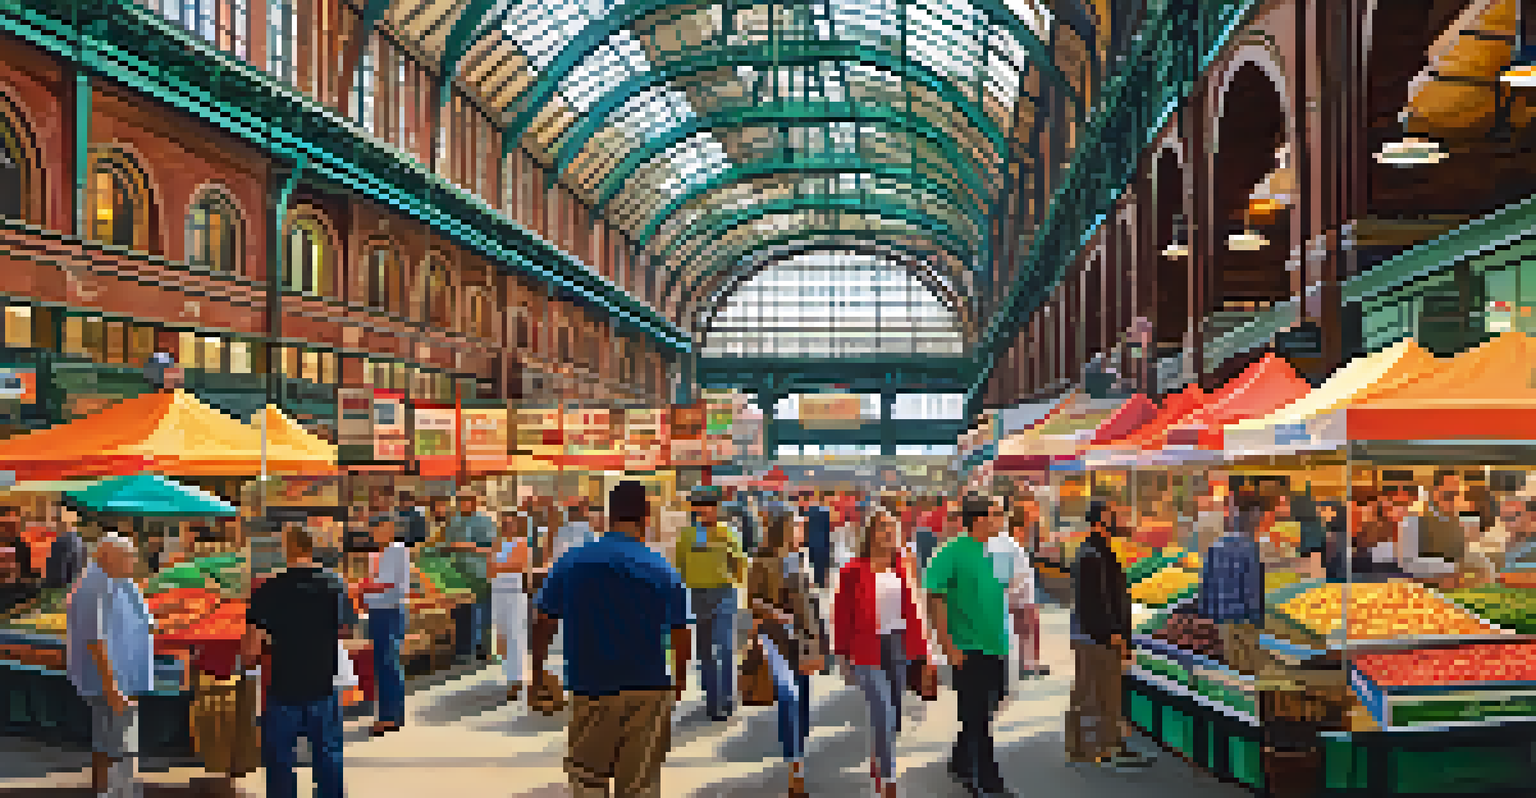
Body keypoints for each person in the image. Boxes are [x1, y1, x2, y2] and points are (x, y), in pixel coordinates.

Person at [531, 480, 692, 798]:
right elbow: (680, 632)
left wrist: (536, 670)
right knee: (639, 786)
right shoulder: (662, 569)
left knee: (588, 779)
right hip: (648, 687)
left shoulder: (572, 562)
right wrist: (679, 682)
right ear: (647, 515)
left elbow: (544, 621)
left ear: (607, 515)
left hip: (590, 686)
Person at [242, 523, 350, 798]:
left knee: (280, 760)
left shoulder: (268, 588)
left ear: (287, 549)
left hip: (282, 685)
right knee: (328, 757)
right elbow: (347, 630)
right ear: (312, 548)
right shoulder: (336, 585)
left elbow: (251, 650)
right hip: (323, 683)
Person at [834, 509, 929, 798]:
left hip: (898, 645)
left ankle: (879, 758)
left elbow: (916, 608)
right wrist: (842, 657)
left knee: (895, 714)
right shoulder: (853, 570)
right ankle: (888, 779)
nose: (889, 533)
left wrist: (926, 654)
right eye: (883, 528)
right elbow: (841, 614)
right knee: (883, 711)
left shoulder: (904, 565)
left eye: (893, 527)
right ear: (870, 534)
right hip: (866, 647)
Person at [925, 494, 1015, 797]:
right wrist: (946, 645)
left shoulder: (994, 550)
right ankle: (986, 784)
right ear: (978, 519)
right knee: (977, 720)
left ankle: (962, 760)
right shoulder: (949, 552)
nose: (1002, 519)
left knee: (990, 706)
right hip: (967, 648)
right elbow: (934, 598)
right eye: (997, 513)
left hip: (996, 645)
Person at [66, 535, 154, 798]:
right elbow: (96, 641)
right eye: (128, 556)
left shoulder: (118, 581)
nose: (134, 561)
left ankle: (115, 791)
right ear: (107, 557)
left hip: (123, 678)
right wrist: (113, 688)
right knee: (116, 743)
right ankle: (114, 792)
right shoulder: (94, 586)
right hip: (111, 681)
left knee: (114, 740)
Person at [750, 510, 827, 798]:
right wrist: (778, 614)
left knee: (803, 703)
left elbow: (812, 602)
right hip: (775, 638)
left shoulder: (803, 558)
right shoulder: (762, 560)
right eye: (797, 526)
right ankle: (795, 767)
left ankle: (797, 753)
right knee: (789, 695)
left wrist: (821, 641)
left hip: (804, 641)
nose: (802, 530)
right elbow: (753, 600)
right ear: (783, 528)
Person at [1065, 499, 1145, 770]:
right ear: (1100, 521)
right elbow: (1096, 601)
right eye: (1113, 514)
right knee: (1094, 694)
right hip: (1095, 637)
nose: (1119, 519)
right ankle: (1091, 750)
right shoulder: (1092, 554)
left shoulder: (1101, 551)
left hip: (1098, 635)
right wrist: (1114, 634)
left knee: (1104, 695)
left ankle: (1103, 747)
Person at [673, 485, 748, 721]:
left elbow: (740, 565)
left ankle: (726, 697)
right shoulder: (687, 535)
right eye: (701, 507)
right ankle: (712, 700)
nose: (706, 511)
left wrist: (731, 566)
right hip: (698, 595)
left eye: (711, 507)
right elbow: (680, 568)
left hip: (725, 594)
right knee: (705, 651)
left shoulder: (729, 532)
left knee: (725, 647)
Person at [361, 513, 411, 736]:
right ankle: (386, 714)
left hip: (390, 610)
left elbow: (389, 584)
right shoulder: (375, 553)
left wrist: (365, 588)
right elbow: (374, 581)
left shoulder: (397, 549)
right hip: (377, 610)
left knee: (389, 663)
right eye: (376, 528)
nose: (377, 532)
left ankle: (392, 716)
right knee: (382, 664)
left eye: (382, 527)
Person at [989, 498, 1046, 679]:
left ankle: (1027, 665)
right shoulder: (1004, 545)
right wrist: (1011, 594)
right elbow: (1007, 576)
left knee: (1026, 632)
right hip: (1017, 599)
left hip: (1021, 598)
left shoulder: (1007, 545)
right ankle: (1023, 666)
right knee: (1022, 633)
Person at [445, 491, 496, 662]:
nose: (463, 504)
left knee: (482, 611)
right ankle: (463, 649)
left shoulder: (485, 521)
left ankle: (483, 648)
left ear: (475, 501)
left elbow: (491, 548)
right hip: (458, 573)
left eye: (467, 500)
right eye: (460, 501)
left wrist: (467, 546)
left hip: (480, 573)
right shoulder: (454, 522)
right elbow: (448, 545)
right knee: (462, 611)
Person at [490, 509, 532, 702]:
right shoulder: (497, 543)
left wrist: (501, 566)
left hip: (514, 593)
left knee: (515, 634)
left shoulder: (522, 543)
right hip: (497, 592)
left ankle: (517, 679)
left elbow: (519, 564)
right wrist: (502, 566)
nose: (507, 526)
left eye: (510, 522)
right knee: (502, 636)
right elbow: (491, 568)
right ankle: (510, 675)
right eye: (504, 522)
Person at [1398, 470, 1469, 584]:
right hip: (1420, 592)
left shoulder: (1459, 523)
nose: (1453, 499)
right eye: (1449, 494)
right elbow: (1407, 563)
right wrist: (1451, 569)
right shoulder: (1414, 519)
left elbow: (1463, 557)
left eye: (1456, 494)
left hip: (1453, 590)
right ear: (1434, 492)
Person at [46, 505, 87, 589]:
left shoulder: (65, 539)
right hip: (68, 582)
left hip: (62, 582)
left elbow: (66, 563)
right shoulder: (78, 540)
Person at [801, 493, 833, 590]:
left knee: (811, 565)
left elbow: (805, 529)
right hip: (821, 544)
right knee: (819, 567)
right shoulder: (824, 513)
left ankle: (812, 585)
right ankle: (820, 584)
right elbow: (827, 532)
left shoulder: (809, 512)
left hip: (812, 543)